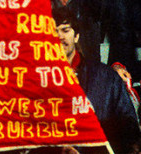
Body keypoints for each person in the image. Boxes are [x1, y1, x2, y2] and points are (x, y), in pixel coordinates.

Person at [55, 11, 141, 153]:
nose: (59, 37)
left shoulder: (107, 78)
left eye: (65, 30)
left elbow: (129, 131)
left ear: (76, 36)